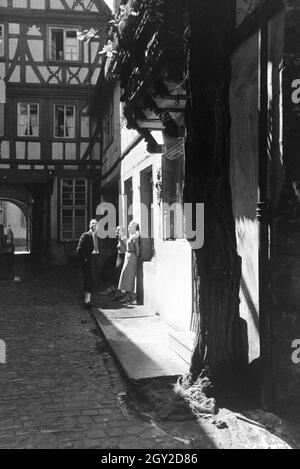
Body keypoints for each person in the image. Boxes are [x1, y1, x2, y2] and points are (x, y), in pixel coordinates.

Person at [76, 219, 100, 309]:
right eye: (92, 223)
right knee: (88, 279)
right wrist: (85, 258)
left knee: (93, 279)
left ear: (97, 226)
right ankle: (86, 302)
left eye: (96, 224)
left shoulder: (96, 236)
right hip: (89, 259)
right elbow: (79, 249)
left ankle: (88, 300)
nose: (94, 225)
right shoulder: (85, 235)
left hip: (95, 258)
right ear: (89, 225)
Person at [115, 221, 140, 304]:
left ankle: (131, 296)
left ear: (134, 227)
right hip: (127, 256)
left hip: (132, 257)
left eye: (130, 226)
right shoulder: (130, 236)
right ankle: (128, 295)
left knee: (129, 276)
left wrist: (136, 258)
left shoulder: (135, 237)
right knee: (125, 275)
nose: (128, 228)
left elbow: (137, 249)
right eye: (128, 226)